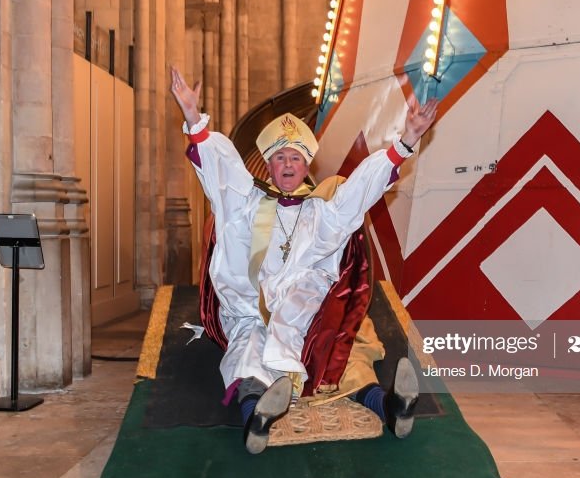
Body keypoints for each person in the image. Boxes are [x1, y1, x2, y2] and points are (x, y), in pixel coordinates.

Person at [170, 66, 438, 453]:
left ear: (306, 164)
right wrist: (194, 120)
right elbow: (221, 175)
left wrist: (408, 138)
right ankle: (255, 421)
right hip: (253, 308)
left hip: (307, 312)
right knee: (248, 347)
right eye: (280, 158)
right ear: (270, 166)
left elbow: (362, 189)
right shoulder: (249, 204)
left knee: (344, 354)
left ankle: (392, 408)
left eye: (295, 157)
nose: (288, 164)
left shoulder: (322, 211)